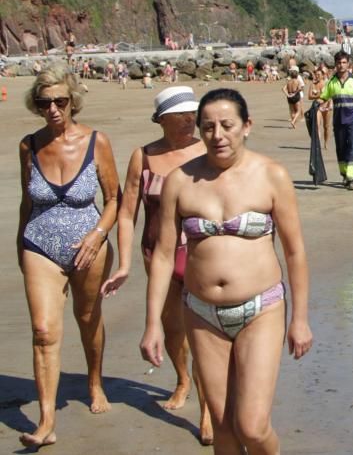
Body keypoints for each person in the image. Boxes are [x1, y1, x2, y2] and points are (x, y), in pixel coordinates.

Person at [141, 89, 312, 454]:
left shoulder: (272, 176)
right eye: (208, 127)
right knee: (223, 428)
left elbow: (295, 252)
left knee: (251, 427)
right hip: (201, 313)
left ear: (246, 126)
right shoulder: (180, 181)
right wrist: (153, 322)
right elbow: (163, 256)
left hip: (261, 309)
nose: (217, 135)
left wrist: (300, 320)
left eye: (227, 125)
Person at [100, 86, 212, 444]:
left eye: (193, 114)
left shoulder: (207, 150)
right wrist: (124, 263)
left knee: (203, 330)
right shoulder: (143, 156)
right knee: (173, 326)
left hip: (199, 252)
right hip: (157, 255)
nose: (190, 121)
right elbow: (128, 211)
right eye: (181, 115)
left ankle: (208, 409)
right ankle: (182, 380)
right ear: (162, 119)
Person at [17, 65, 120, 447]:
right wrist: (20, 246)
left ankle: (94, 381)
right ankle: (46, 422)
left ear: (72, 100)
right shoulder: (29, 145)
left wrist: (97, 236)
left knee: (88, 316)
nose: (53, 110)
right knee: (43, 331)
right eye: (45, 103)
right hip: (39, 244)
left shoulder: (97, 142)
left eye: (60, 101)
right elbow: (27, 202)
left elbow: (113, 199)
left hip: (88, 244)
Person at [320, 51, 353, 190]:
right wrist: (316, 105)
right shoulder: (331, 82)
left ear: (348, 64)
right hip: (338, 121)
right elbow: (324, 98)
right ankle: (344, 174)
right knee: (341, 149)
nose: (341, 65)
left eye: (344, 63)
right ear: (335, 64)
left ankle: (352, 178)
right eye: (339, 63)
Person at [307, 64, 332, 149]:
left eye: (319, 75)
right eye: (316, 74)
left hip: (327, 107)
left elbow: (330, 96)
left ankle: (326, 143)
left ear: (322, 75)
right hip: (317, 106)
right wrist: (319, 96)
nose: (317, 76)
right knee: (317, 125)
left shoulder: (327, 83)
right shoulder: (312, 84)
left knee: (326, 126)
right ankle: (318, 144)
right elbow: (309, 96)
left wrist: (330, 104)